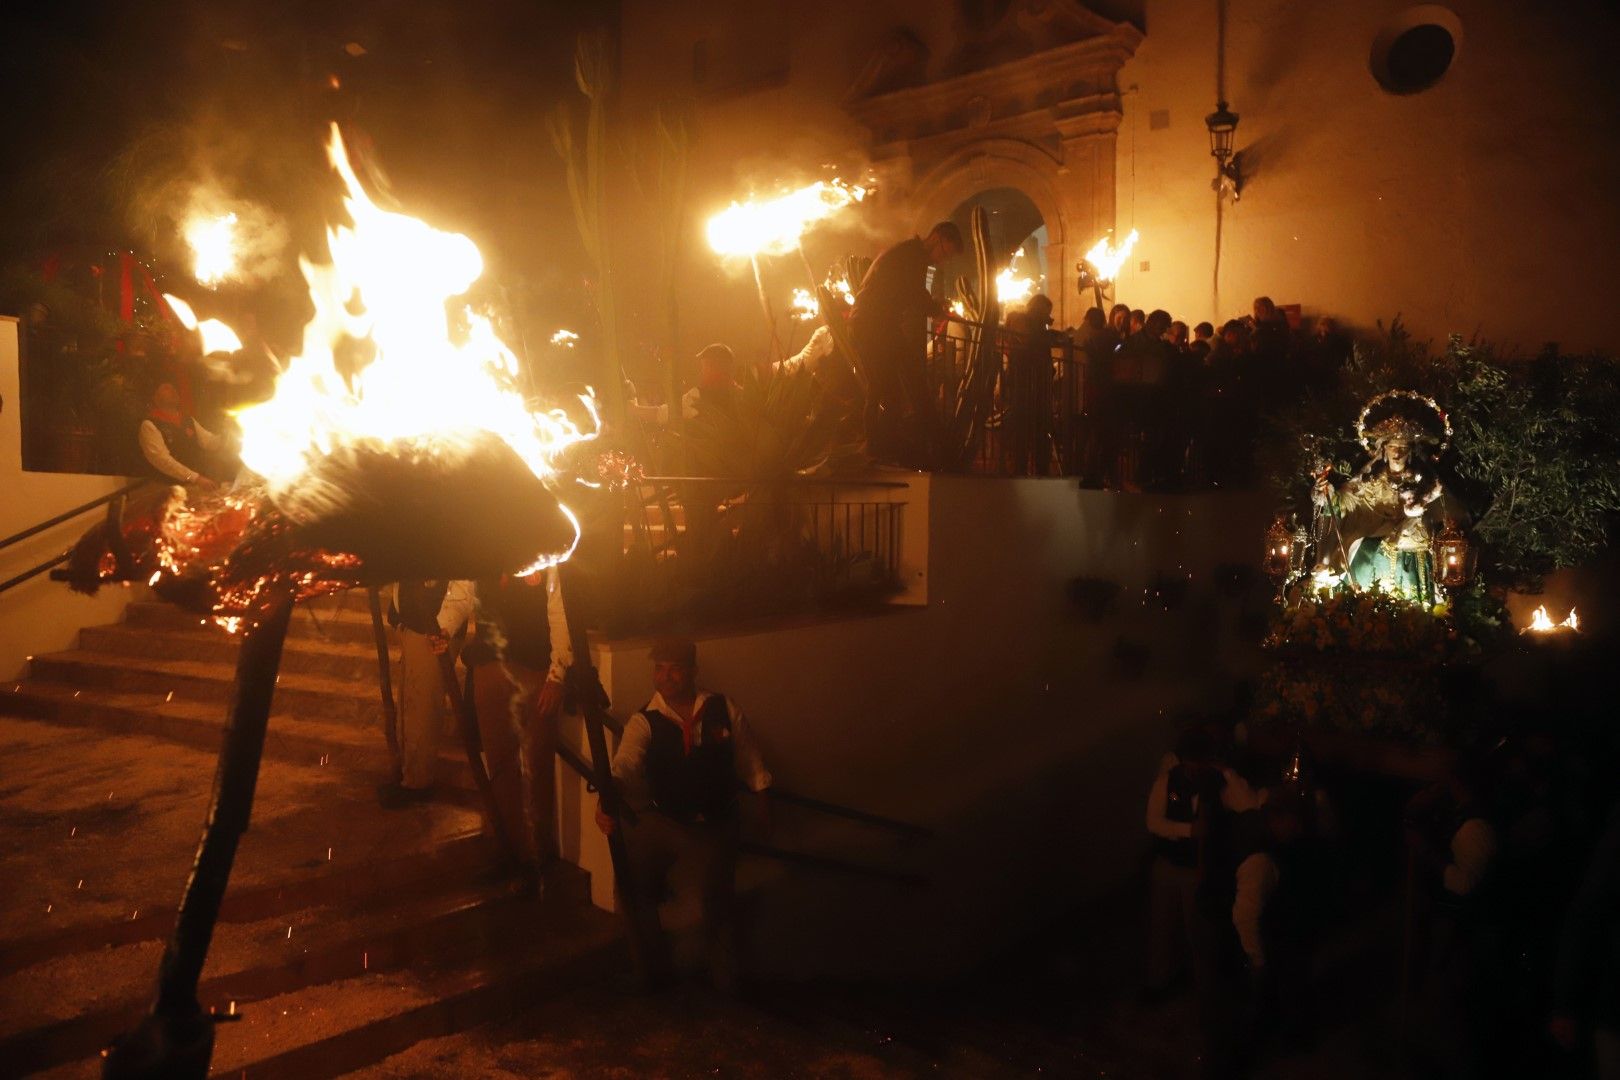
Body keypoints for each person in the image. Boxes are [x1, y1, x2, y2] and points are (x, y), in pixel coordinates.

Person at [596, 638, 772, 991]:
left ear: (692, 671)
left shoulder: (722, 708)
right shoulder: (644, 720)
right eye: (659, 668)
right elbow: (626, 763)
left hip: (716, 824)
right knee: (631, 879)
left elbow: (751, 761)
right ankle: (651, 971)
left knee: (716, 901)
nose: (666, 676)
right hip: (666, 820)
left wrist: (763, 807)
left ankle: (726, 986)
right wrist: (608, 794)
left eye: (674, 668)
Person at [464, 570, 573, 875]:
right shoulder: (482, 551)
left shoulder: (546, 555)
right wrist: (443, 628)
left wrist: (557, 675)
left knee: (536, 762)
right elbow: (461, 592)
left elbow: (559, 610)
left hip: (535, 668)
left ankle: (536, 852)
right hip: (489, 666)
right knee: (499, 761)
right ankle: (504, 845)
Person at [849, 221, 964, 461]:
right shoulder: (911, 256)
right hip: (871, 326)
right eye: (946, 252)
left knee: (899, 384)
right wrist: (935, 309)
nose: (943, 260)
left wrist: (933, 306)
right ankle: (877, 446)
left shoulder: (911, 254)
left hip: (881, 325)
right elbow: (914, 292)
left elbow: (912, 293)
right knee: (882, 387)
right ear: (938, 238)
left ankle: (890, 443)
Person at [378, 579, 475, 808]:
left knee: (423, 707)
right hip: (413, 627)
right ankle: (407, 773)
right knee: (411, 703)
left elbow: (462, 590)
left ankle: (418, 782)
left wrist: (443, 628)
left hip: (433, 633)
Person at [627, 343, 741, 426]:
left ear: (713, 368)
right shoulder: (742, 395)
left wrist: (634, 409)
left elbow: (662, 414)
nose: (701, 372)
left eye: (704, 367)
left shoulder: (699, 397)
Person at [138, 382, 224, 488]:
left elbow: (209, 442)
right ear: (155, 397)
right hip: (166, 488)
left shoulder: (187, 420)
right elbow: (162, 460)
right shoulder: (149, 425)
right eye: (166, 388)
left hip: (192, 484)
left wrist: (228, 435)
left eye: (173, 387)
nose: (173, 390)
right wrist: (194, 478)